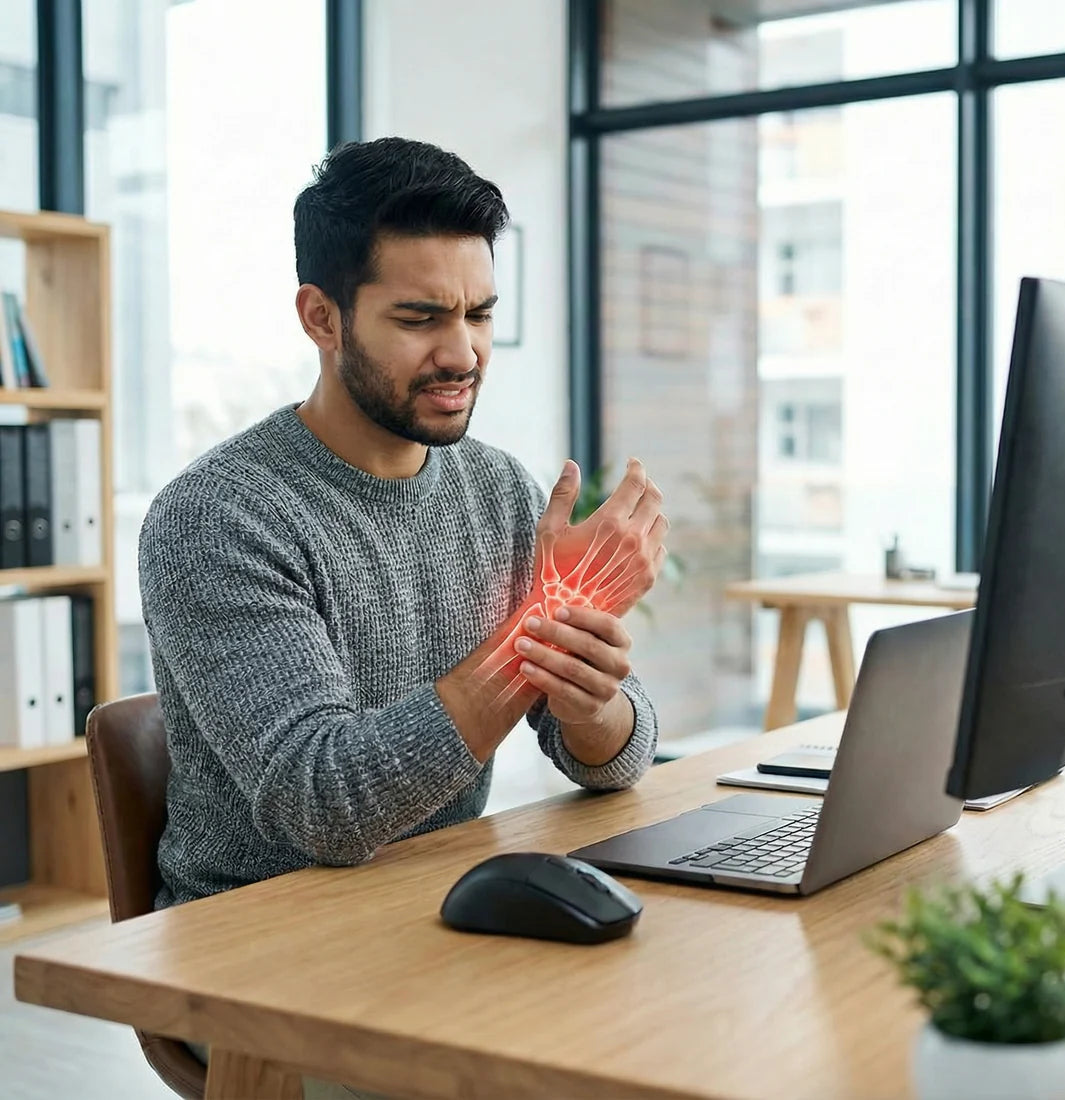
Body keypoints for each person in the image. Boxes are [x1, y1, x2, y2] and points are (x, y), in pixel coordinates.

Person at [138, 136, 668, 922]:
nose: (463, 354)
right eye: (421, 318)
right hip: (260, 943)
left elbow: (612, 759)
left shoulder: (495, 488)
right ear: (322, 317)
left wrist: (588, 705)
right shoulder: (217, 517)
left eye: (479, 315)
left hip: (441, 903)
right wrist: (541, 631)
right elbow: (327, 800)